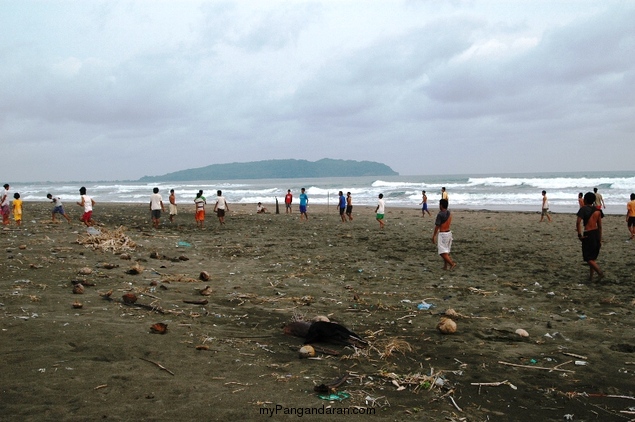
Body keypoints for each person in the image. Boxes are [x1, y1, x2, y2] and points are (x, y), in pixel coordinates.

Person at [576, 192, 603, 281]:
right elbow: (600, 226)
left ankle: (599, 272)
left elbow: (578, 222)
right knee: (592, 257)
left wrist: (579, 234)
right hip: (595, 233)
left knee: (587, 258)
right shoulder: (598, 210)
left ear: (585, 200)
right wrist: (600, 238)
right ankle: (591, 277)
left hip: (588, 233)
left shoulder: (583, 209)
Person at [432, 198, 456, 270]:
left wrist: (434, 235)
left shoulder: (440, 214)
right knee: (446, 251)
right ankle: (445, 266)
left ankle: (452, 263)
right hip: (448, 233)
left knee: (442, 252)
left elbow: (437, 226)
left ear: (441, 205)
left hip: (443, 234)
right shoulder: (449, 213)